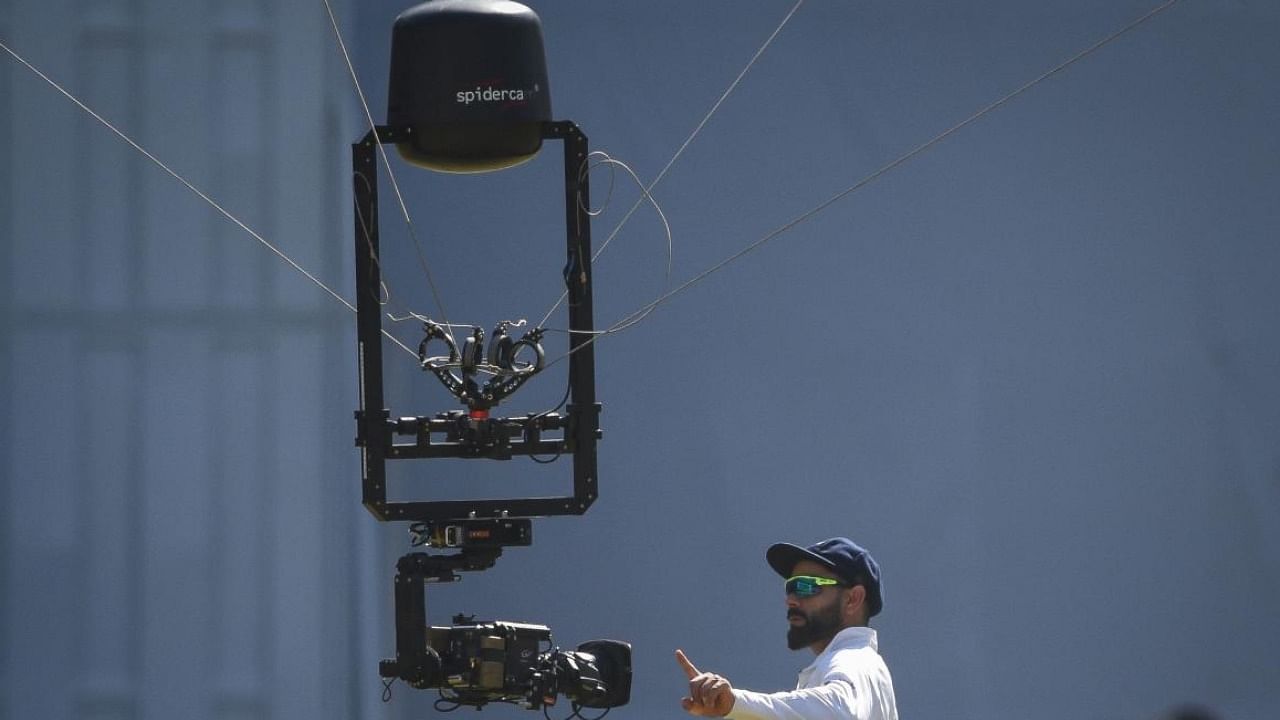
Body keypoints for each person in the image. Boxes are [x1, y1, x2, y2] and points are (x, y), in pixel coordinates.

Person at [676, 537, 898, 720]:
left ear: (853, 599)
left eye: (806, 586)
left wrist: (736, 702)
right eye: (790, 587)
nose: (790, 599)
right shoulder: (852, 662)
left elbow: (840, 711)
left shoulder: (854, 660)